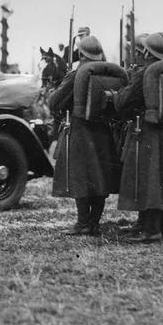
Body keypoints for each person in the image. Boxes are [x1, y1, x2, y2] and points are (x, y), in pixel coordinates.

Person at [112, 33, 163, 243]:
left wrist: (115, 95)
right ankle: (161, 228)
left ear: (148, 52)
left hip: (149, 132)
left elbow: (122, 102)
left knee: (151, 179)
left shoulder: (144, 73)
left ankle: (152, 231)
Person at [48, 35, 121, 236]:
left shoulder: (76, 73)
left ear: (81, 54)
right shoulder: (111, 72)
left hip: (80, 132)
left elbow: (54, 102)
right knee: (99, 177)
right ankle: (94, 223)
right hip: (105, 132)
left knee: (80, 176)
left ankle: (82, 223)